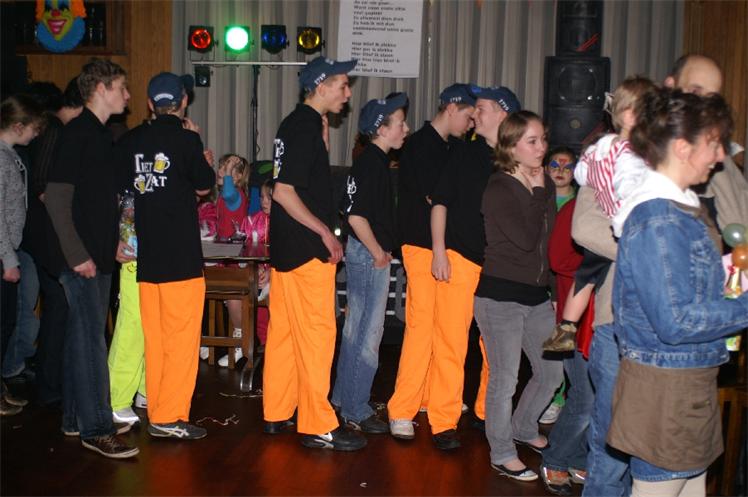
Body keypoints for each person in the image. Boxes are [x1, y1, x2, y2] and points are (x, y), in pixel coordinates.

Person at [579, 54, 746, 497]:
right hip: (665, 390)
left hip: (686, 381)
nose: (721, 156)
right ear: (683, 148)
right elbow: (676, 322)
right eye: (714, 144)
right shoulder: (658, 217)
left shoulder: (679, 207)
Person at [262, 56, 366, 451]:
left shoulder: (295, 124)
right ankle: (317, 423)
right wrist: (325, 232)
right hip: (306, 249)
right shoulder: (304, 126)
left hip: (287, 249)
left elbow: (297, 185)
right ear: (321, 86)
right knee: (318, 336)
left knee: (285, 334)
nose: (347, 93)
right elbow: (284, 192)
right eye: (342, 85)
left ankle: (277, 411)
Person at [44, 58, 137, 458]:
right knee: (90, 344)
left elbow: (95, 203)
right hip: (80, 258)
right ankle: (97, 428)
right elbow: (56, 198)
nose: (128, 96)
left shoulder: (99, 135)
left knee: (80, 339)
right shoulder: (79, 133)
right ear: (101, 88)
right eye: (122, 87)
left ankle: (73, 420)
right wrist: (78, 254)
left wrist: (111, 244)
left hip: (96, 254)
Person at [116, 71, 215, 440]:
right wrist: (198, 148)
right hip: (181, 259)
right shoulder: (187, 140)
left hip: (147, 258)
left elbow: (121, 192)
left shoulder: (131, 141)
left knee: (155, 341)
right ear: (183, 101)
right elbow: (205, 185)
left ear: (149, 104)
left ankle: (158, 410)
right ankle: (169, 417)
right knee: (182, 343)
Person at [426, 85, 520, 450]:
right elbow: (440, 202)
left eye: (482, 108)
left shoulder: (517, 159)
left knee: (496, 347)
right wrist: (439, 251)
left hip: (500, 267)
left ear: (503, 114)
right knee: (450, 342)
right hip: (460, 259)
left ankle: (486, 412)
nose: (475, 113)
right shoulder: (463, 153)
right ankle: (443, 421)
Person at [474, 111, 562, 482]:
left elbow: (550, 243)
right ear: (511, 147)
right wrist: (539, 191)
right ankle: (501, 452)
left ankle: (524, 428)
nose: (542, 147)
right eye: (532, 141)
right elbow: (526, 240)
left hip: (538, 296)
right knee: (505, 378)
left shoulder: (545, 185)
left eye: (543, 139)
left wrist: (554, 291)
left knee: (551, 372)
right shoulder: (499, 188)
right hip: (501, 297)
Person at [388, 83, 477, 440]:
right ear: (451, 108)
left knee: (445, 329)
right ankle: (401, 409)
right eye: (468, 116)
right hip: (421, 246)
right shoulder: (421, 145)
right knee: (421, 328)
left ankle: (432, 396)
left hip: (442, 248)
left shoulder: (452, 147)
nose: (470, 124)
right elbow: (436, 198)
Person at [543, 76, 656, 352]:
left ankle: (567, 326)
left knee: (585, 276)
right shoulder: (635, 153)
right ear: (630, 116)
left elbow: (581, 173)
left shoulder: (599, 148)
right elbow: (629, 186)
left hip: (605, 220)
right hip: (621, 222)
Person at [332, 93, 409, 435]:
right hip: (367, 255)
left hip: (364, 253)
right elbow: (355, 216)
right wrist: (378, 252)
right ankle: (355, 408)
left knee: (357, 331)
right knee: (366, 335)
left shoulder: (370, 162)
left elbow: (350, 208)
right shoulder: (372, 165)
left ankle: (344, 398)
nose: (406, 128)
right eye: (400, 123)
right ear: (382, 128)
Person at [20, 78, 82, 407]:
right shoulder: (56, 130)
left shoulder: (53, 129)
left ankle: (51, 381)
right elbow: (43, 187)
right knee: (58, 306)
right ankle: (50, 385)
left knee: (57, 305)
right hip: (46, 233)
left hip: (40, 233)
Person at [540, 195, 595, 495]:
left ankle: (578, 457)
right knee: (584, 398)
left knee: (598, 399)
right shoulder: (576, 208)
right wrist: (601, 263)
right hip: (577, 319)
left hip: (604, 320)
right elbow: (558, 259)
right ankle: (556, 457)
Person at [0, 94, 44, 416]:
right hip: (4, 254)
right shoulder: (2, 160)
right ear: (18, 126)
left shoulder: (10, 155)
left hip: (10, 249)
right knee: (3, 323)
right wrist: (9, 258)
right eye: (33, 128)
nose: (36, 133)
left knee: (8, 321)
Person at [538, 145, 578, 427]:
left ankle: (560, 399)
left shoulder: (583, 203)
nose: (560, 171)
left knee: (563, 341)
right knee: (544, 343)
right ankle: (550, 394)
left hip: (569, 282)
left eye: (567, 167)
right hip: (540, 280)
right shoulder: (539, 199)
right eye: (555, 165)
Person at [240, 178, 272, 345]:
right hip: (256, 275)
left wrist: (271, 272)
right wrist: (256, 267)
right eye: (261, 197)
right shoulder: (252, 222)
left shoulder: (286, 224)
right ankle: (257, 342)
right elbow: (243, 252)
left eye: (269, 197)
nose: (264, 202)